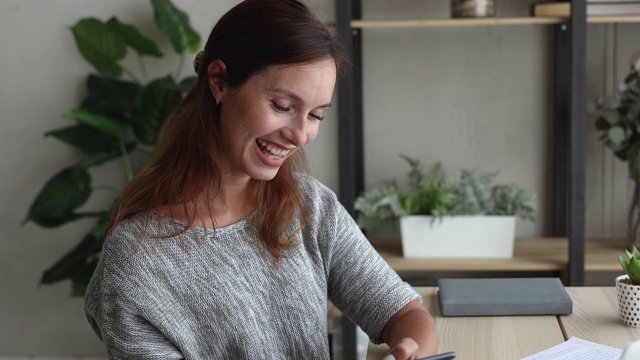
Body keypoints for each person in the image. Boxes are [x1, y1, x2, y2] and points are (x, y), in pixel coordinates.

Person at [84, 0, 438, 359]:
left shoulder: (308, 206)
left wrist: (408, 351)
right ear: (220, 82)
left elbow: (405, 312)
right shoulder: (137, 263)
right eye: (283, 106)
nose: (300, 135)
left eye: (316, 115)